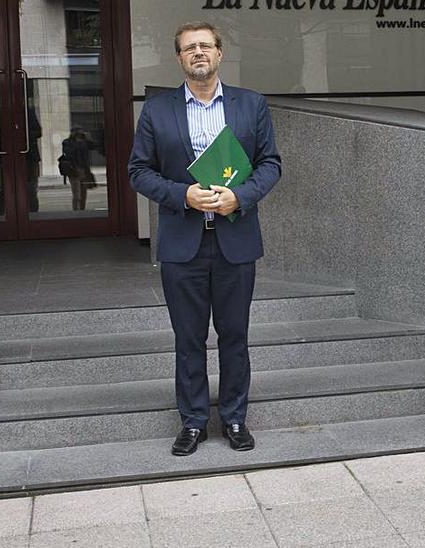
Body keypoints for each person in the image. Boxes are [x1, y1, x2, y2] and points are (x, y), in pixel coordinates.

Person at [128, 21, 281, 456]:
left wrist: (240, 198)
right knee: (188, 338)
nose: (198, 53)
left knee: (235, 335)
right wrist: (183, 195)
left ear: (219, 53)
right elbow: (138, 171)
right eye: (189, 48)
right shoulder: (157, 109)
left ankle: (234, 417)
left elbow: (270, 163)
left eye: (206, 46)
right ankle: (193, 421)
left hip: (235, 240)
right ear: (179, 58)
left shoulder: (251, 105)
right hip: (183, 243)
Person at [60, 127, 96, 211]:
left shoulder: (84, 142)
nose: (79, 135)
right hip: (73, 170)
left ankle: (82, 211)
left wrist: (88, 138)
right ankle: (76, 212)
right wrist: (77, 142)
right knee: (77, 195)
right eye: (77, 132)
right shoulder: (67, 142)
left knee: (83, 194)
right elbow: (69, 153)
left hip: (84, 170)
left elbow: (94, 146)